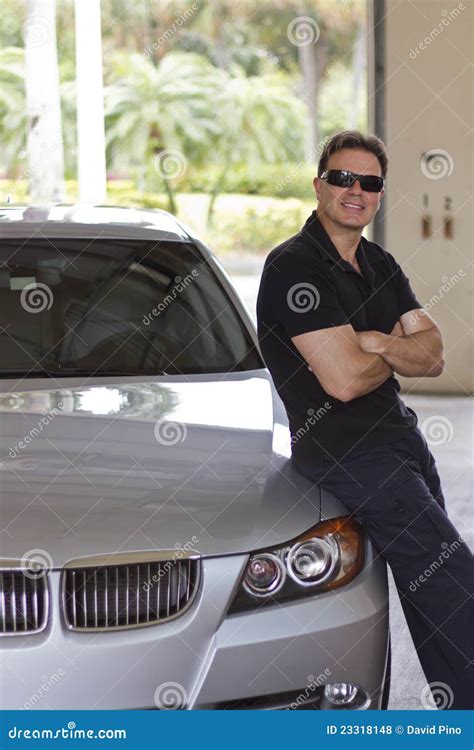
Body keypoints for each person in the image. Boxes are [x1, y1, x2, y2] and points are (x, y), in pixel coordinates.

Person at [256, 130, 473, 710]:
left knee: (432, 589)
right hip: (350, 454)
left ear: (380, 194)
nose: (355, 191)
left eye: (369, 182)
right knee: (455, 582)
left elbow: (434, 354)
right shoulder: (294, 268)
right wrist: (386, 352)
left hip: (401, 440)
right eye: (342, 178)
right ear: (319, 185)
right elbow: (344, 381)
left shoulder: (378, 262)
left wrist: (370, 341)